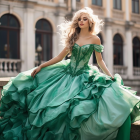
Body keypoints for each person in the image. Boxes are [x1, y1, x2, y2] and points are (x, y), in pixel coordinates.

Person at [0, 7, 140, 140]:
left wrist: (109, 75)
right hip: (66, 74)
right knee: (48, 104)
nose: (81, 21)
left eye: (85, 19)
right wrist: (42, 66)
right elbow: (59, 58)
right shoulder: (74, 37)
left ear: (90, 22)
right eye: (79, 19)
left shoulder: (95, 39)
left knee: (78, 107)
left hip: (84, 76)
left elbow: (100, 61)